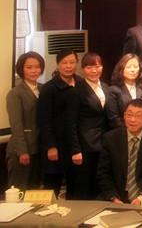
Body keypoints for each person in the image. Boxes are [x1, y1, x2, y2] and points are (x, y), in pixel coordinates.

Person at [96, 99, 142, 205]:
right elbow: (103, 173)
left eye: (138, 116)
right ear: (124, 116)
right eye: (129, 115)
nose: (132, 120)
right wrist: (113, 197)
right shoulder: (110, 138)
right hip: (117, 192)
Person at [65, 52, 110, 199]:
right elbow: (70, 124)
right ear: (82, 70)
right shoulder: (76, 91)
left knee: (100, 185)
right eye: (89, 67)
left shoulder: (106, 87)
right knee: (84, 187)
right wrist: (75, 150)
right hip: (85, 147)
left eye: (97, 66)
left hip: (103, 144)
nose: (94, 71)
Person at [39, 48, 79, 197]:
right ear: (58, 65)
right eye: (64, 63)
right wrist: (51, 146)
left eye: (72, 62)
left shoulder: (81, 83)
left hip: (74, 145)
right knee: (52, 188)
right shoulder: (49, 88)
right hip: (56, 145)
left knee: (75, 186)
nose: (68, 66)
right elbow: (45, 120)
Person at [6, 52, 45, 191]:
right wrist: (22, 151)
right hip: (21, 151)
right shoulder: (15, 93)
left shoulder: (42, 89)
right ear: (21, 69)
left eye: (37, 67)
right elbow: (16, 125)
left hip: (38, 149)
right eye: (29, 67)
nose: (34, 71)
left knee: (34, 192)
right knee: (19, 191)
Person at [105, 53, 142, 129]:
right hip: (122, 131)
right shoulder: (113, 91)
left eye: (135, 66)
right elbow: (114, 120)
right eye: (128, 67)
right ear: (121, 69)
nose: (132, 70)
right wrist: (132, 131)